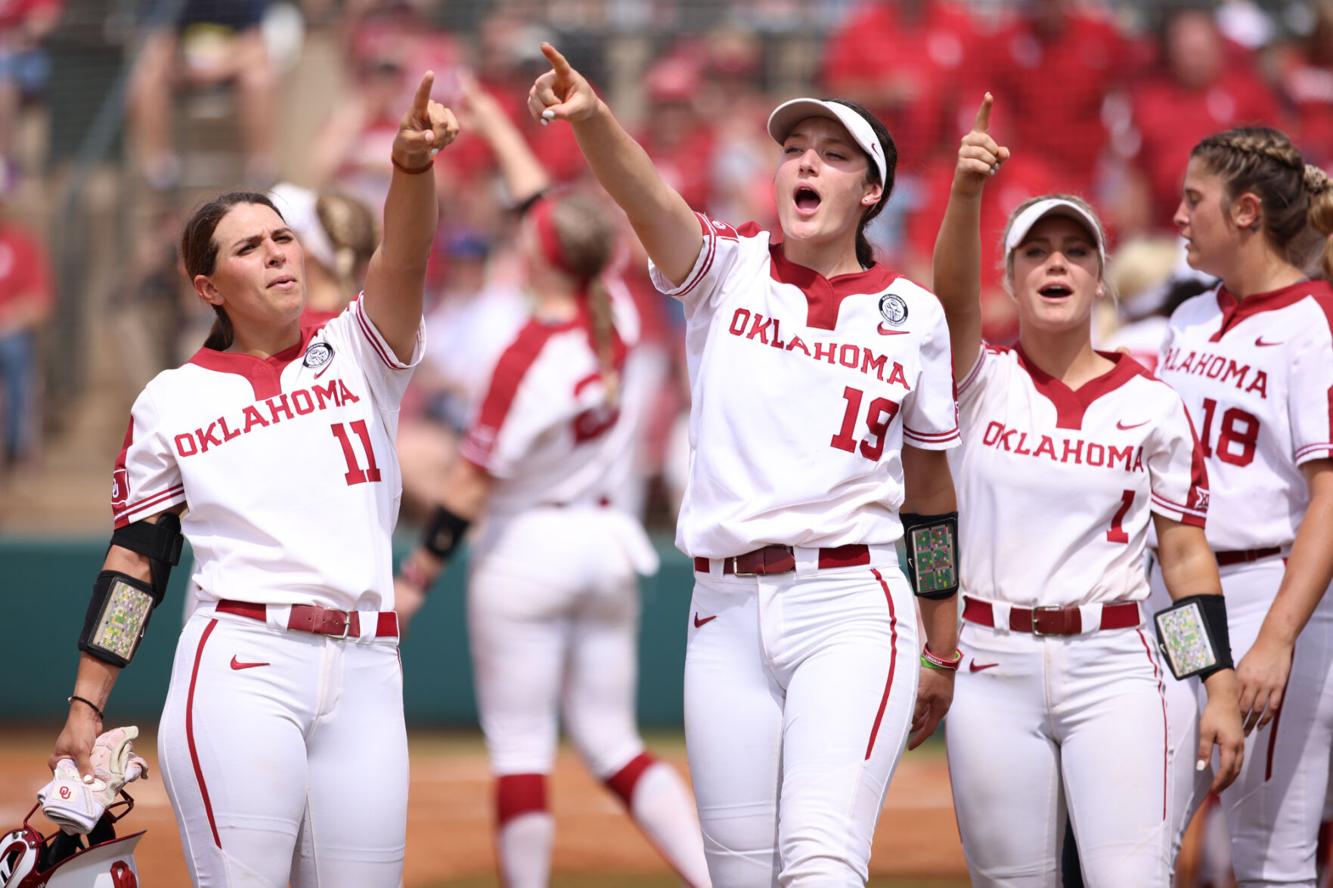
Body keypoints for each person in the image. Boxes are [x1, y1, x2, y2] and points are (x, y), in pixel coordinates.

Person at [526, 43, 963, 886]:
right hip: (721, 606)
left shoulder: (915, 316)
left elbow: (932, 497)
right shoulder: (730, 269)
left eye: (834, 155)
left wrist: (940, 646)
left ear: (870, 191)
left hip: (848, 600)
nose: (806, 163)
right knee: (738, 874)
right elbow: (647, 198)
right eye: (794, 149)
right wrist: (592, 117)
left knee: (821, 858)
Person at [46, 72, 458, 886]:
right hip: (242, 662)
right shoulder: (171, 400)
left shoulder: (359, 349)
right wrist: (88, 700)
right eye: (248, 247)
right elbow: (137, 561)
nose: (275, 254)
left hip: (369, 667)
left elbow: (403, 258)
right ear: (209, 288)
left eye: (281, 238)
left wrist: (410, 169)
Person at [393, 78, 711, 888]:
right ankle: (714, 878)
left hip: (528, 553)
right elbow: (548, 209)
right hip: (609, 548)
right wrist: (500, 125)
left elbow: (466, 490)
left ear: (538, 253)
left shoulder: (525, 353)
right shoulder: (621, 311)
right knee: (613, 742)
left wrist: (415, 583)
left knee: (521, 748)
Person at [931, 94, 1243, 886]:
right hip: (988, 662)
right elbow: (951, 300)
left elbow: (1180, 557)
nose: (1056, 264)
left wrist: (1214, 680)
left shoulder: (1151, 403)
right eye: (1035, 253)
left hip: (1120, 660)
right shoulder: (980, 380)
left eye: (1075, 251)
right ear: (1008, 275)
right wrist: (965, 192)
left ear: (1100, 277)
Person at [1153, 125, 1333, 887]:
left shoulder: (1313, 322)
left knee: (1271, 857)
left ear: (1246, 211)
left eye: (1195, 199)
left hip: (1270, 587)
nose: (1179, 215)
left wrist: (1275, 639)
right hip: (1176, 595)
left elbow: (1330, 494)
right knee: (1139, 832)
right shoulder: (1187, 318)